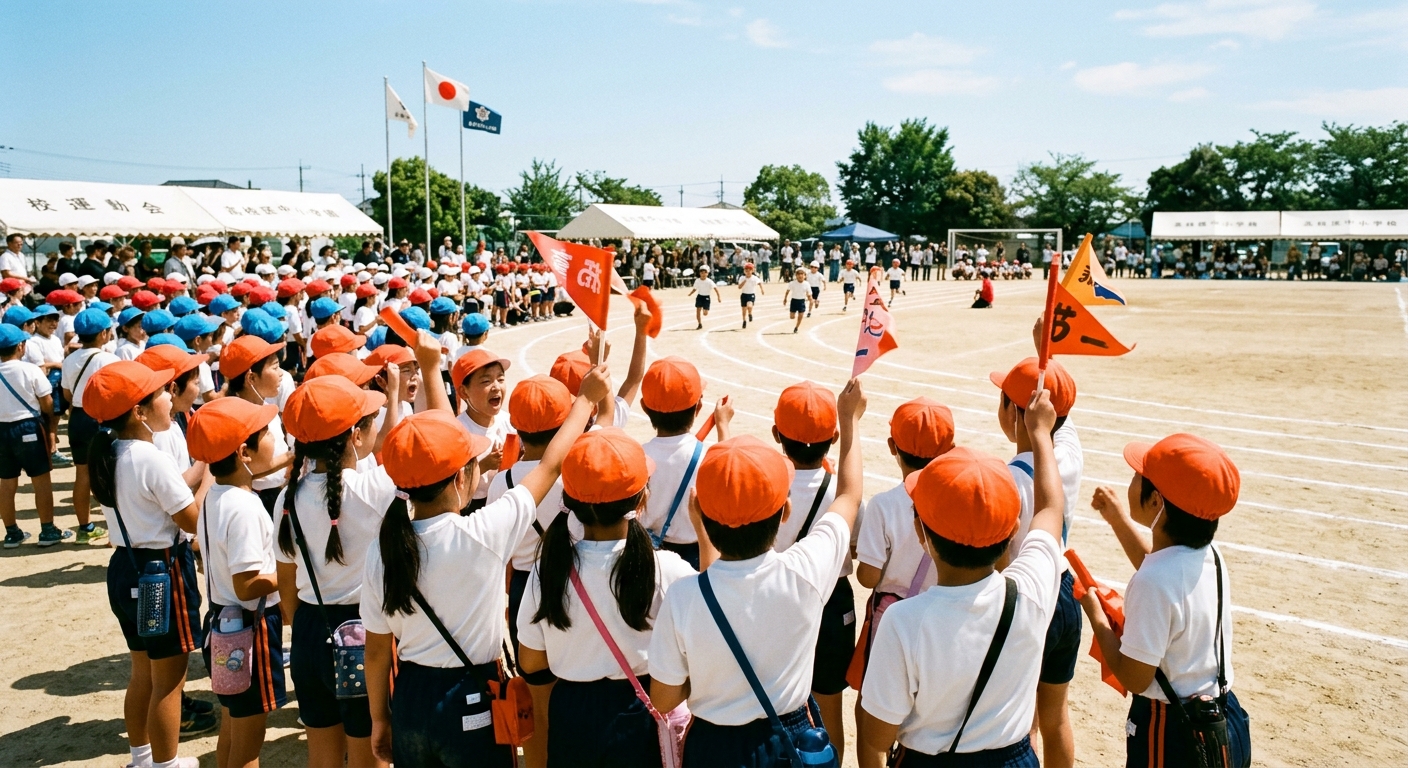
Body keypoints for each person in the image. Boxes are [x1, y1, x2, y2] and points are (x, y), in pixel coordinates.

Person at [361, 338, 608, 766]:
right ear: (461, 480)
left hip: (411, 697)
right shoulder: (483, 532)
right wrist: (584, 401)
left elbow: (377, 648)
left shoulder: (384, 548)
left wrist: (379, 720)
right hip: (470, 696)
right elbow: (549, 466)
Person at [647, 379, 865, 766]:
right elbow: (848, 494)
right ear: (784, 513)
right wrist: (849, 420)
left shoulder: (684, 595)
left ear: (702, 514)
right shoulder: (805, 572)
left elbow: (664, 699)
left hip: (714, 745)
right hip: (789, 738)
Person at [859, 389, 1064, 767]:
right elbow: (1051, 508)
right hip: (1012, 758)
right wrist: (1040, 433)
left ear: (921, 533)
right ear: (1013, 529)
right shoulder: (1031, 591)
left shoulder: (903, 623)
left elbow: (874, 741)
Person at [517, 428, 698, 767]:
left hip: (571, 713)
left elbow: (531, 661)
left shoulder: (550, 569)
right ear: (641, 500)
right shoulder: (667, 569)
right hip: (640, 709)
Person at [1082, 434, 1251, 767]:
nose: (1131, 480)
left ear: (1156, 502)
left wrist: (1097, 618)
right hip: (1222, 718)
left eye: (1138, 476)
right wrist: (1119, 520)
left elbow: (1134, 677)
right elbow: (1161, 569)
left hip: (1171, 730)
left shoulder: (1153, 582)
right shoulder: (1209, 555)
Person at [275, 373, 406, 768]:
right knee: (372, 755)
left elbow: (286, 591)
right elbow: (405, 452)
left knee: (323, 756)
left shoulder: (287, 496)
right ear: (355, 435)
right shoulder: (376, 489)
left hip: (310, 631)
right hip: (365, 634)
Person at [86, 361, 207, 768]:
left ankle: (141, 757)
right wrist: (209, 469)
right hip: (161, 570)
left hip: (125, 566)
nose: (169, 397)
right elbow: (191, 520)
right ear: (138, 411)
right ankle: (166, 763)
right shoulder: (149, 457)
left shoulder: (111, 452)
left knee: (142, 672)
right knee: (169, 681)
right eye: (160, 394)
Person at [992, 358, 1085, 768]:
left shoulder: (1006, 480)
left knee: (1018, 721)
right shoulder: (1067, 455)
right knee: (1055, 714)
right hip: (1063, 592)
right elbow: (1059, 424)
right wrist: (1044, 359)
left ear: (1015, 413)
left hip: (1025, 601)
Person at [851, 398, 954, 768]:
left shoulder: (884, 505)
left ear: (892, 447)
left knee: (876, 705)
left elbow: (868, 577)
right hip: (941, 611)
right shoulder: (953, 499)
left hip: (891, 615)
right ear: (951, 450)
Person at [188, 397, 287, 768]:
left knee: (232, 725)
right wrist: (290, 578)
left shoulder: (217, 495)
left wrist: (289, 462)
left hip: (222, 622)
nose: (275, 441)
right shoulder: (245, 508)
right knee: (250, 743)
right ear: (245, 452)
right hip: (250, 628)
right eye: (267, 435)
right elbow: (247, 584)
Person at [768, 381, 863, 761]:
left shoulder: (771, 485)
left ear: (776, 434)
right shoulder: (837, 490)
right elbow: (854, 544)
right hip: (832, 601)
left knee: (778, 701)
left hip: (779, 596)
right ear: (835, 436)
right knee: (828, 709)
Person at [639, 357, 731, 571]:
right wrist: (723, 426)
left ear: (644, 408)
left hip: (647, 555)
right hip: (696, 554)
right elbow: (727, 472)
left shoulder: (638, 457)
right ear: (698, 408)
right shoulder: (708, 456)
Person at [0, 323, 66, 547]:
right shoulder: (30, 370)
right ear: (20, 346)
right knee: (41, 480)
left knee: (7, 484)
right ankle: (47, 530)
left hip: (2, 430)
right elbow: (47, 403)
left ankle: (11, 532)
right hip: (28, 427)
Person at [61, 308, 120, 544]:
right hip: (102, 418)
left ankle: (84, 527)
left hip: (78, 418)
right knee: (112, 475)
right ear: (104, 333)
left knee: (82, 473)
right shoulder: (109, 360)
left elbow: (66, 394)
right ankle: (115, 530)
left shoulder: (69, 360)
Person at [219, 336, 293, 513]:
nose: (281, 373)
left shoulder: (266, 407)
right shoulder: (234, 418)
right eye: (275, 367)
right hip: (256, 500)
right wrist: (291, 458)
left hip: (277, 493)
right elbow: (241, 475)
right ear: (251, 378)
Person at [450, 349, 514, 514]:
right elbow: (452, 485)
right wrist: (484, 465)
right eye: (486, 381)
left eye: (500, 379)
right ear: (464, 392)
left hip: (503, 499)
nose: (496, 387)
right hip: (472, 506)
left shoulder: (508, 421)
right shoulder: (458, 431)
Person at [688, 265, 721, 330]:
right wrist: (690, 293)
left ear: (707, 273)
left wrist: (718, 297)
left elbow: (715, 288)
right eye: (701, 273)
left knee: (705, 313)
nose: (703, 274)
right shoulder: (697, 280)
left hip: (706, 297)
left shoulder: (709, 281)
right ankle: (699, 324)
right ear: (699, 273)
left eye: (705, 273)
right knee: (698, 311)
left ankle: (705, 309)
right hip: (700, 297)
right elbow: (695, 288)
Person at [738, 262, 764, 329]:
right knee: (744, 310)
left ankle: (750, 313)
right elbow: (739, 287)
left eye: (749, 270)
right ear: (744, 271)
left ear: (752, 271)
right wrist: (744, 281)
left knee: (749, 305)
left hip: (751, 294)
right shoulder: (742, 278)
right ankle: (744, 320)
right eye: (746, 270)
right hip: (744, 295)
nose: (748, 272)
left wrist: (762, 289)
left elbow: (759, 283)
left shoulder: (754, 278)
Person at [784, 269, 810, 333]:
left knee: (801, 315)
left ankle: (796, 327)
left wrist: (810, 298)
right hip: (794, 301)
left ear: (805, 276)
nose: (800, 276)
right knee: (792, 317)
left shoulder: (806, 284)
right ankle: (794, 317)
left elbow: (809, 293)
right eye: (798, 275)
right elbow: (787, 291)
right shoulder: (792, 283)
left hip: (801, 301)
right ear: (796, 276)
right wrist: (785, 299)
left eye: (802, 274)